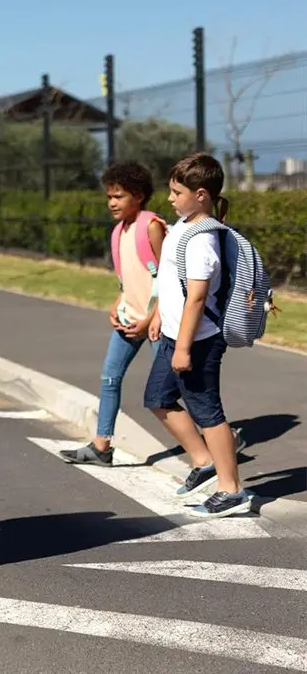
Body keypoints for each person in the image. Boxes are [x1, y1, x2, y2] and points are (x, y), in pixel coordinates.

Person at [143, 152, 251, 517]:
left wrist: (184, 348)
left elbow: (198, 297)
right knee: (158, 397)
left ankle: (231, 488)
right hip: (174, 334)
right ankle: (205, 461)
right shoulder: (182, 227)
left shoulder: (202, 238)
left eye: (177, 192)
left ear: (201, 194)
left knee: (208, 412)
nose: (170, 198)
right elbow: (170, 282)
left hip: (199, 340)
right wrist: (159, 313)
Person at [60, 162, 165, 466]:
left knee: (177, 387)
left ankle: (217, 440)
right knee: (110, 378)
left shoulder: (152, 225)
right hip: (129, 318)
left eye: (118, 196)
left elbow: (169, 278)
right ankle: (101, 446)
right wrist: (117, 303)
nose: (112, 203)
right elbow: (129, 278)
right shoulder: (119, 231)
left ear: (140, 195)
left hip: (157, 321)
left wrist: (152, 318)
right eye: (109, 197)